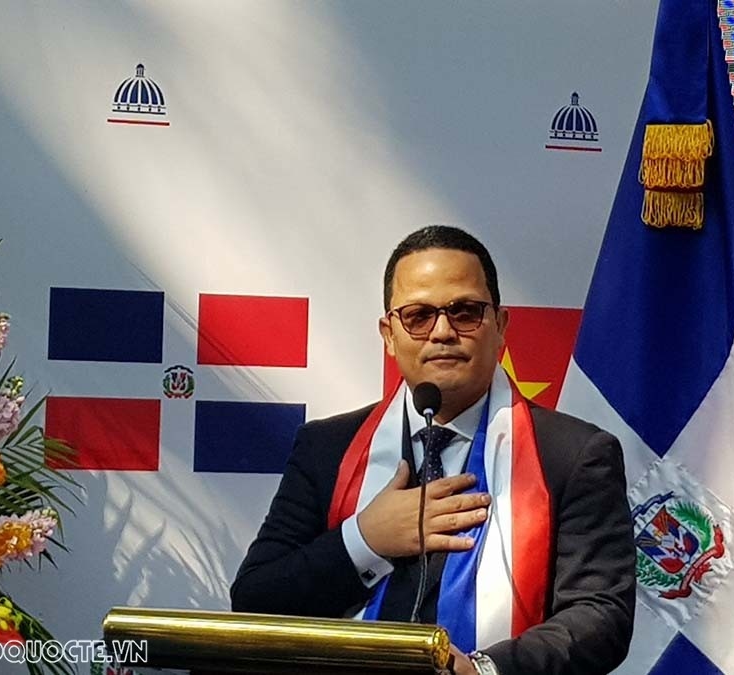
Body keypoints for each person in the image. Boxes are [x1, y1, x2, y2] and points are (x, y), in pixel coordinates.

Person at [231, 225, 635, 675]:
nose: (442, 332)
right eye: (419, 317)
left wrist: (481, 670)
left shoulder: (574, 454)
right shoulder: (326, 447)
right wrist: (365, 540)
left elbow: (601, 615)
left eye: (464, 312)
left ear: (500, 326)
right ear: (388, 334)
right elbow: (255, 597)